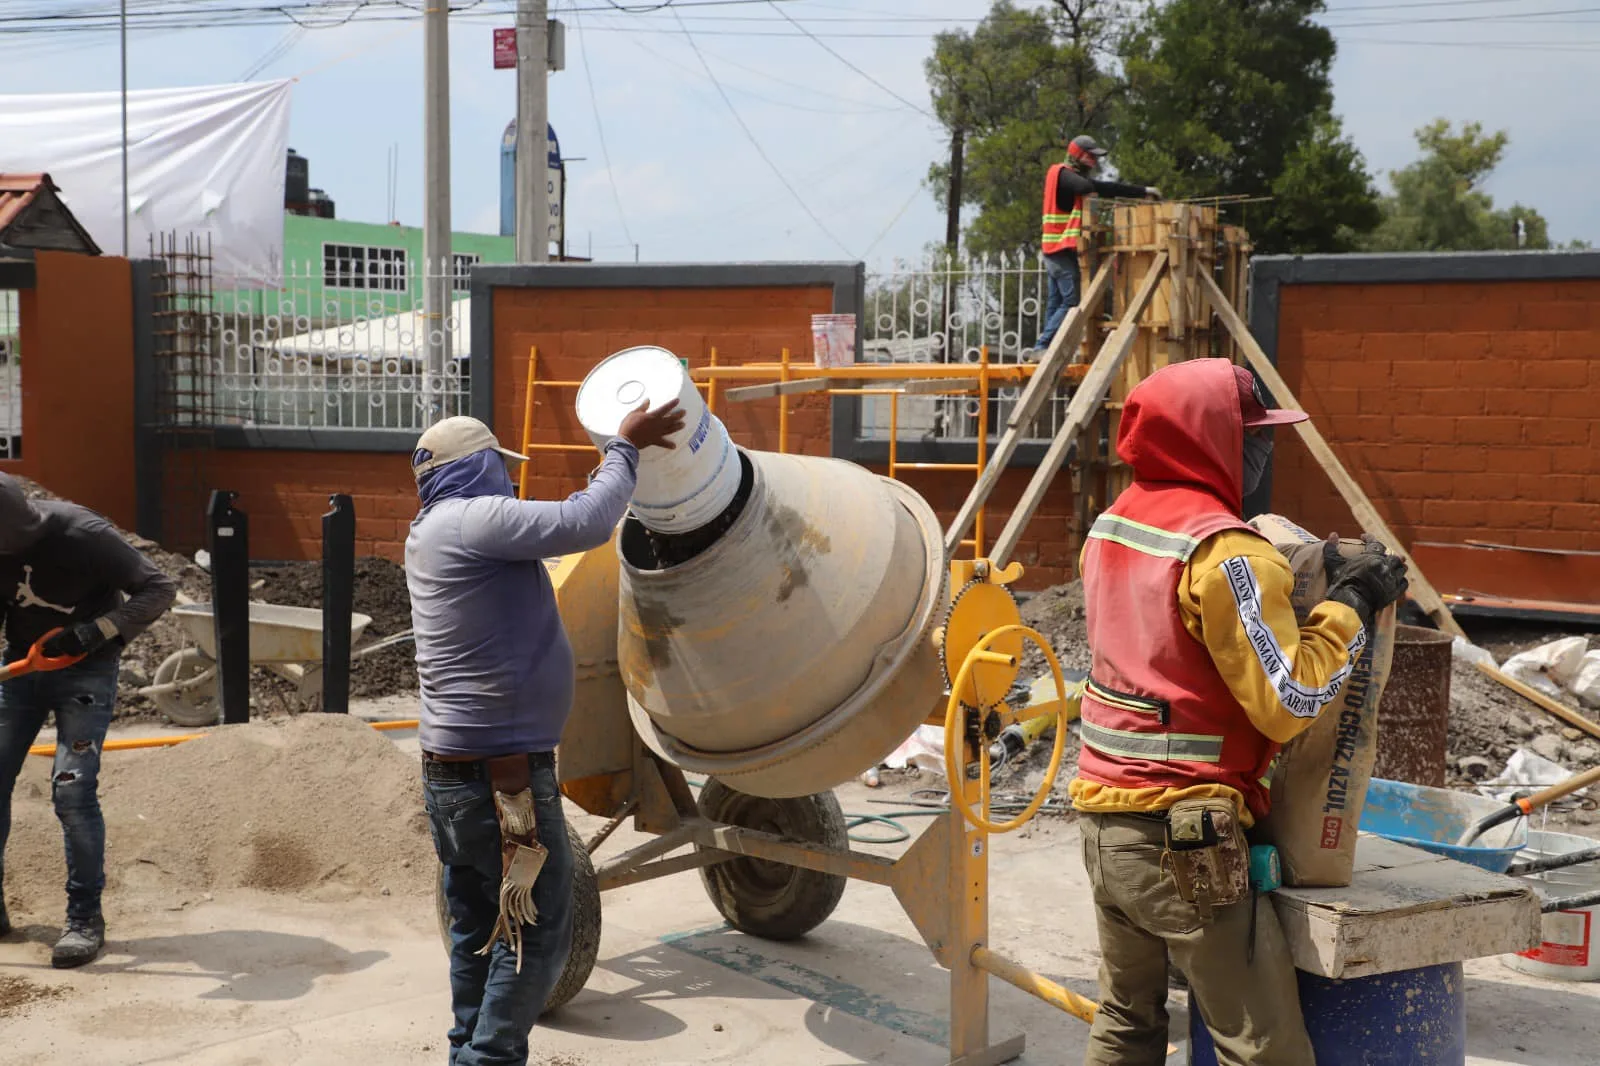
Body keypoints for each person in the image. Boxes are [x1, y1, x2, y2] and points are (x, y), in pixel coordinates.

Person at [1070, 359, 1409, 1066]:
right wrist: (1351, 605)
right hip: (1181, 840)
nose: (1263, 451)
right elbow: (1288, 701)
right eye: (1252, 435)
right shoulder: (1225, 553)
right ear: (1211, 438)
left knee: (1127, 1024)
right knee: (1264, 1050)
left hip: (1105, 830)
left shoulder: (1112, 526)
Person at [407, 403, 683, 1066]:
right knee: (535, 937)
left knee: (482, 928)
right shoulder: (473, 519)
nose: (509, 481)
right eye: (500, 468)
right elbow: (584, 520)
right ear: (477, 468)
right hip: (501, 783)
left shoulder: (432, 530)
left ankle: (465, 1052)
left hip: (455, 779)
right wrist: (624, 450)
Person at [0, 473, 177, 968]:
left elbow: (159, 588)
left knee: (72, 791)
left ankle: (84, 920)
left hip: (88, 669)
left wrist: (94, 632)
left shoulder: (85, 534)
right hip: (22, 664)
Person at [1034, 134, 1161, 353]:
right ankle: (1044, 344)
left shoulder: (1065, 176)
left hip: (1056, 251)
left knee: (1056, 302)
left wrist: (1142, 191)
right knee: (1071, 301)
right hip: (1058, 251)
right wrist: (1103, 190)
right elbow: (1087, 187)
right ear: (1076, 155)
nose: (1094, 162)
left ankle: (1043, 348)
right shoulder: (1061, 174)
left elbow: (1100, 187)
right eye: (1090, 157)